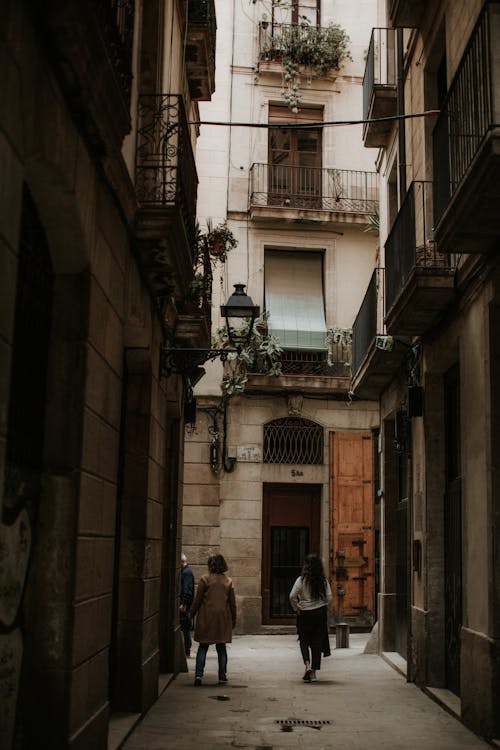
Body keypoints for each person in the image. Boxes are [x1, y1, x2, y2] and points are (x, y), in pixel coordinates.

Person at [189, 553, 237, 686]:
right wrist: (234, 618)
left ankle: (198, 675)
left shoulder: (205, 579)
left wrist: (191, 614)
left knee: (203, 646)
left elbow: (197, 600)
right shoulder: (228, 581)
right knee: (221, 647)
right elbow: (232, 603)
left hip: (206, 617)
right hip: (222, 618)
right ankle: (222, 676)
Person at [289, 553, 332, 682]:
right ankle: (313, 671)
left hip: (305, 614)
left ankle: (307, 664)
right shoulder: (323, 581)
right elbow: (329, 598)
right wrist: (322, 604)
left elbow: (292, 596)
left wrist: (297, 608)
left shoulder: (301, 580)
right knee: (317, 642)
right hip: (319, 613)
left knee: (304, 640)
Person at [179, 552, 195, 657]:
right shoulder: (185, 571)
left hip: (185, 605)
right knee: (185, 627)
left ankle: (187, 650)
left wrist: (183, 603)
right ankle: (186, 649)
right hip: (185, 604)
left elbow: (187, 590)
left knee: (185, 628)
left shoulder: (186, 573)